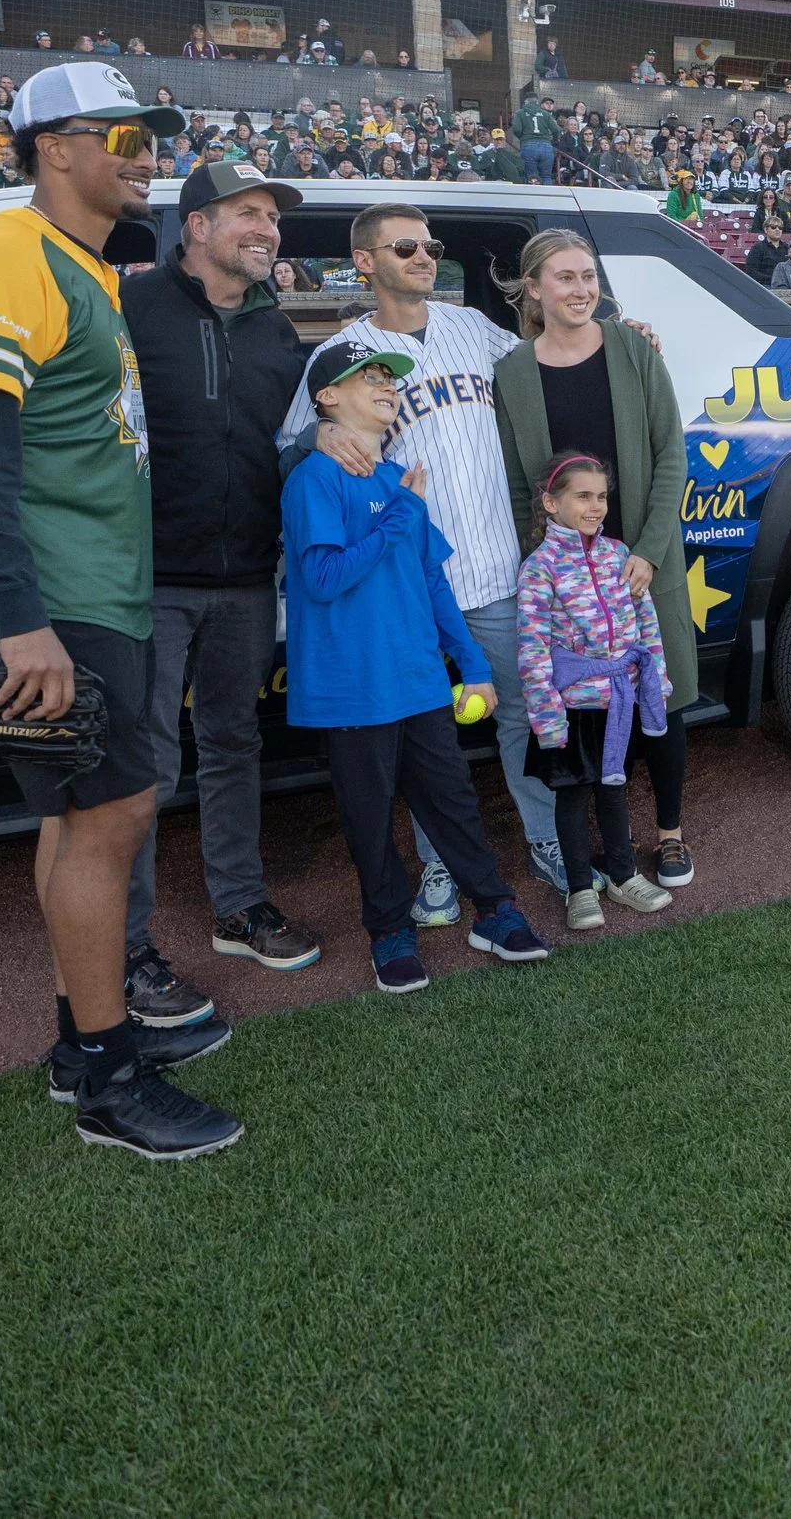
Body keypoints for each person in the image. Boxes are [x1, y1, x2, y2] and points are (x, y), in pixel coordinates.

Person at [0, 61, 243, 1160]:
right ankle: (109, 1075)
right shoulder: (5, 255)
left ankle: (78, 1045)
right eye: (121, 135)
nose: (143, 154)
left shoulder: (83, 270)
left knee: (79, 819)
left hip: (94, 587)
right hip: (54, 601)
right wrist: (20, 618)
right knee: (110, 821)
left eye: (149, 136)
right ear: (54, 146)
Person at [278, 202, 662, 921]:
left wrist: (622, 336)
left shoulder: (474, 330)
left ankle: (548, 840)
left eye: (431, 245)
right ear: (365, 262)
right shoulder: (346, 355)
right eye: (405, 246)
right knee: (429, 742)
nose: (424, 256)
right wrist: (315, 441)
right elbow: (287, 445)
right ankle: (439, 866)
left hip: (496, 569)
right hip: (407, 587)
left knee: (525, 712)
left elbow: (553, 348)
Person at [282, 337, 553, 991]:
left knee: (454, 801)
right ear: (326, 398)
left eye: (389, 376)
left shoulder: (392, 479)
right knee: (369, 817)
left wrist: (474, 664)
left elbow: (434, 584)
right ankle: (389, 930)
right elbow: (321, 577)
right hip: (353, 690)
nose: (386, 384)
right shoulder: (313, 479)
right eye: (367, 375)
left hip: (420, 679)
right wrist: (400, 514)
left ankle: (496, 908)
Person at [117, 159, 325, 995]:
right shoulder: (128, 308)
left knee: (235, 744)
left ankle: (238, 906)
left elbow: (302, 433)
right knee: (144, 766)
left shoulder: (277, 330)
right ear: (196, 225)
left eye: (271, 217)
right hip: (149, 581)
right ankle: (125, 947)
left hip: (246, 579)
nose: (266, 230)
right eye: (247, 212)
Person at [491, 229, 700, 891]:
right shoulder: (514, 373)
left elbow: (672, 453)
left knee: (661, 701)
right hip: (569, 585)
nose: (580, 289)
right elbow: (523, 485)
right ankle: (600, 853)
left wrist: (648, 553)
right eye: (564, 278)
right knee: (586, 714)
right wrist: (550, 575)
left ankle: (668, 835)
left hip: (643, 564)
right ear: (534, 289)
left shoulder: (633, 347)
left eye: (588, 276)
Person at [515, 453, 678, 930]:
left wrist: (656, 682)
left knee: (615, 788)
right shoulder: (539, 568)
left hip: (620, 702)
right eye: (583, 496)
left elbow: (646, 624)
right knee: (572, 795)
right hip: (572, 708)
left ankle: (624, 877)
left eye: (602, 496)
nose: (596, 506)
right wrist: (547, 717)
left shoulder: (618, 554)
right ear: (551, 503)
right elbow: (532, 648)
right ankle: (581, 889)